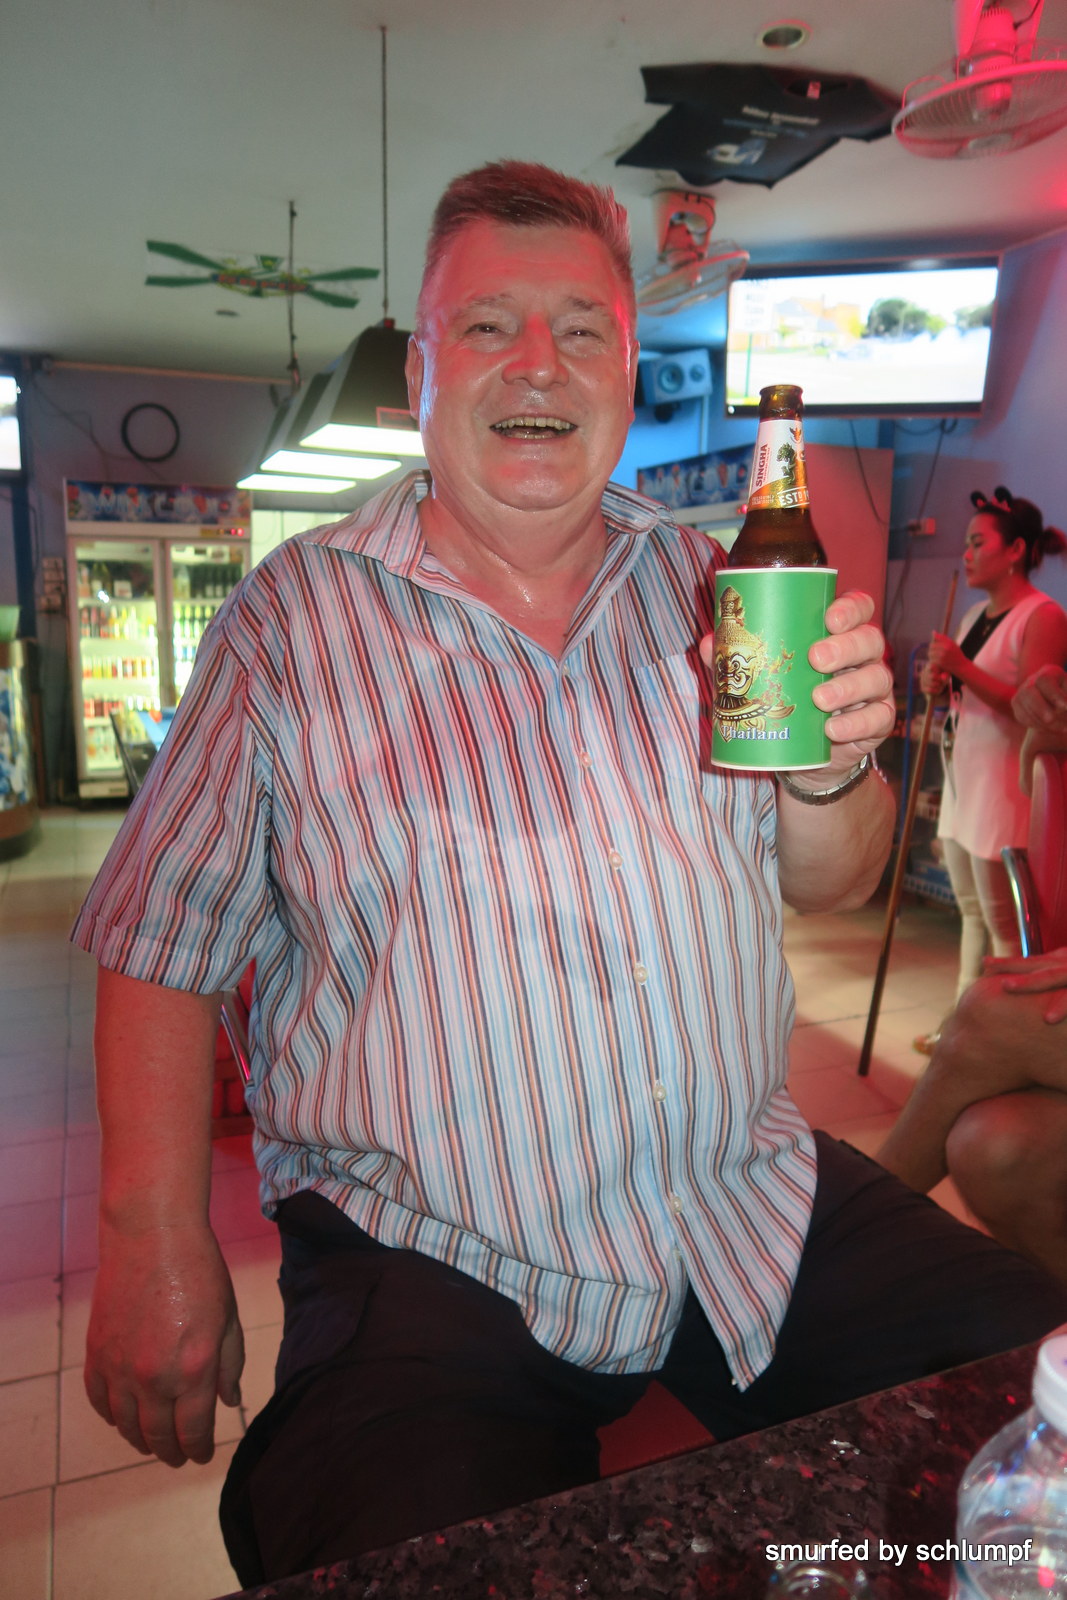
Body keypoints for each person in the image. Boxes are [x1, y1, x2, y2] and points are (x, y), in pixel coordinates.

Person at [71, 163, 1067, 1587]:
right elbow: (158, 937)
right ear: (421, 372)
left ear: (623, 372)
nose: (537, 362)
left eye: (582, 330)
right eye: (487, 325)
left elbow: (829, 882)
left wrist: (830, 770)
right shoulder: (290, 623)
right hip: (430, 1247)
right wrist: (150, 1234)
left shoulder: (718, 584)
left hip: (740, 1195)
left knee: (1027, 1414)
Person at [879, 662, 1067, 1280]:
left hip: (990, 793)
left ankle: (853, 1230)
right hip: (976, 776)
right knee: (993, 1149)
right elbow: (1041, 768)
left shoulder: (1038, 618)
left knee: (990, 1008)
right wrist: (1046, 712)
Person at [914, 487, 1067, 1053]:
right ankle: (961, 1027)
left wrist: (959, 666)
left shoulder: (1043, 616)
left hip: (1006, 791)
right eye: (967, 543)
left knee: (1007, 926)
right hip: (964, 783)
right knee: (971, 913)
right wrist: (938, 681)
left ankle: (1006, 1045)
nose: (967, 554)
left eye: (978, 543)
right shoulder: (975, 614)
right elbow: (963, 692)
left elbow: (1032, 708)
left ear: (1016, 551)